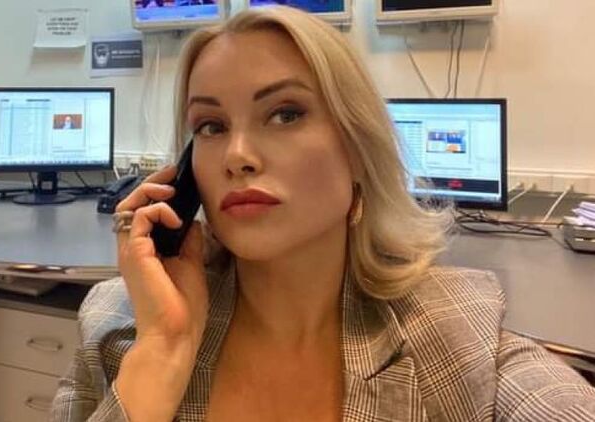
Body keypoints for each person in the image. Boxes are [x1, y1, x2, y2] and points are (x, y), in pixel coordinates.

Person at [52, 6, 595, 421]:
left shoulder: (462, 342)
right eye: (211, 126)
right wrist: (163, 353)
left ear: (357, 148)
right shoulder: (119, 328)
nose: (237, 156)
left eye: (285, 114)